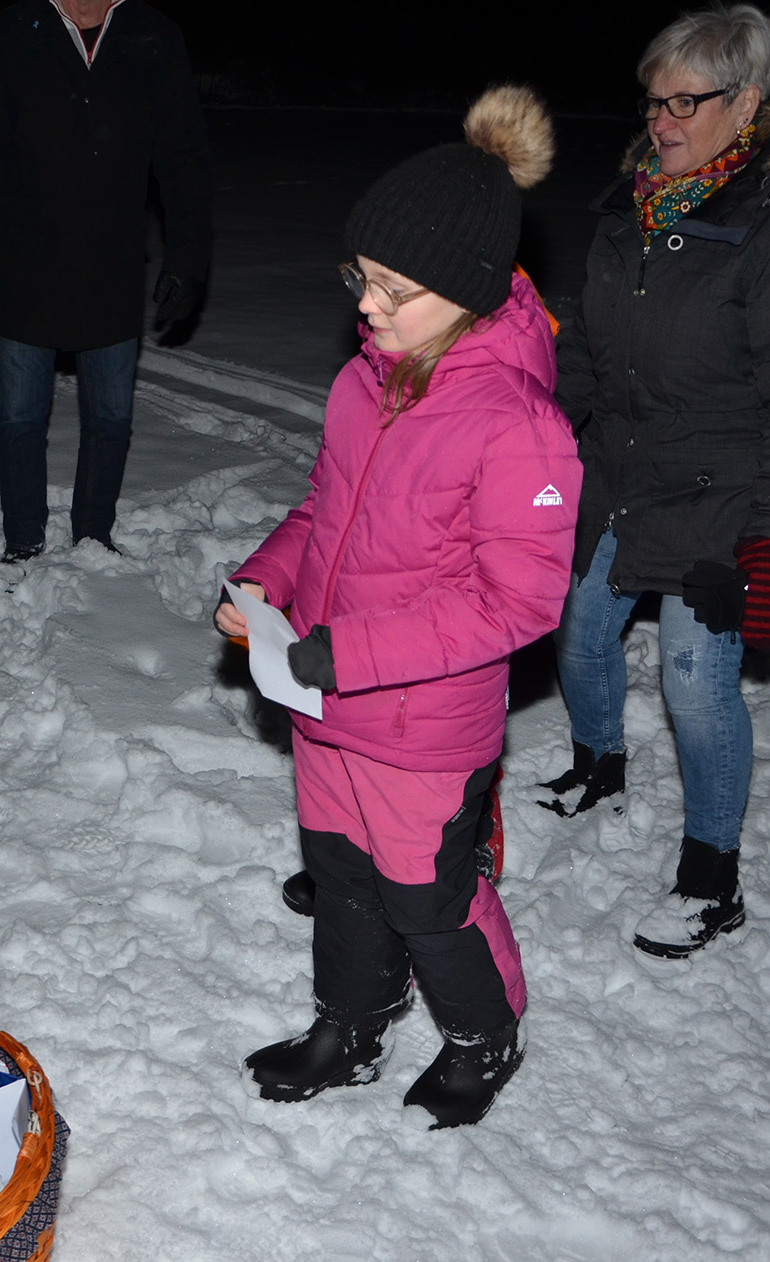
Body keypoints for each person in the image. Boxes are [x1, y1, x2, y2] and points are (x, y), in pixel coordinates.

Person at [216, 88, 579, 1129]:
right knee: (338, 878)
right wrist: (265, 581)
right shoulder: (363, 381)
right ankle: (351, 1020)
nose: (365, 305)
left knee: (427, 895)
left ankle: (480, 1032)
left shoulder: (517, 424)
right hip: (326, 696)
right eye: (360, 279)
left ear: (464, 291)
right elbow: (322, 505)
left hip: (421, 721)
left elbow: (517, 600)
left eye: (392, 288)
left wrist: (351, 652)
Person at [543, 3, 770, 959]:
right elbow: (586, 355)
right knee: (580, 628)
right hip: (622, 477)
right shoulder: (627, 209)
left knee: (695, 685)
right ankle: (598, 766)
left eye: (687, 101)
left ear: (747, 102)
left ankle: (712, 881)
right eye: (653, 100)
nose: (662, 120)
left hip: (722, 500)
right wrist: (535, 449)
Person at [0, 0, 213, 562]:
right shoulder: (8, 32)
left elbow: (183, 158)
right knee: (20, 420)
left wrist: (188, 256)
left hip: (110, 265)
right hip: (23, 262)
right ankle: (23, 542)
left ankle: (93, 537)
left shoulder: (152, 36)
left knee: (110, 419)